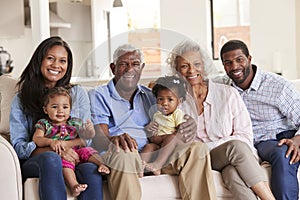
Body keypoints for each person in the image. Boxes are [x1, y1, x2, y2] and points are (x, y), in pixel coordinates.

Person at [89, 44, 217, 200]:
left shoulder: (151, 95)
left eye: (135, 64)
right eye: (123, 64)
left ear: (142, 68)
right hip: (124, 155)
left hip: (155, 155)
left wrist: (187, 125)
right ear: (113, 67)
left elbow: (170, 119)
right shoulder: (99, 95)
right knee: (124, 152)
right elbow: (98, 137)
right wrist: (113, 139)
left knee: (196, 148)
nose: (130, 69)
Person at [166, 39, 275, 200]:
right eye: (184, 66)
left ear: (204, 65)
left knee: (232, 173)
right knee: (235, 147)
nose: (191, 70)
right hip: (201, 159)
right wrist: (222, 146)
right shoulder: (174, 102)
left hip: (232, 157)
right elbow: (175, 142)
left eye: (196, 64)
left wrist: (215, 147)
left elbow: (245, 136)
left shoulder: (228, 94)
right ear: (177, 70)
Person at [10, 36, 104, 200]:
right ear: (39, 60)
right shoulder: (21, 99)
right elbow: (19, 147)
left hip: (73, 155)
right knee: (51, 158)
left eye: (62, 61)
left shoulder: (77, 94)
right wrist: (55, 150)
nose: (56, 65)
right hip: (39, 160)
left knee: (90, 168)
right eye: (50, 58)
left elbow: (85, 140)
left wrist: (65, 146)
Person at [220, 39, 300, 200]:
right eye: (228, 63)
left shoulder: (278, 86)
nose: (234, 66)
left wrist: (297, 140)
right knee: (231, 171)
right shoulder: (222, 87)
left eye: (239, 60)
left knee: (283, 154)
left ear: (249, 59)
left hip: (275, 139)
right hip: (245, 145)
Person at [32, 86, 110, 197]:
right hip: (61, 155)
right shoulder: (44, 124)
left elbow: (85, 139)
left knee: (89, 150)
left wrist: (89, 130)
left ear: (70, 109)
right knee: (64, 163)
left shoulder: (74, 122)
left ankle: (101, 165)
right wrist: (50, 142)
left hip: (77, 152)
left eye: (65, 107)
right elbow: (37, 139)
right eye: (54, 107)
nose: (60, 111)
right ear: (45, 109)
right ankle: (74, 185)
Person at [140, 75, 186, 176]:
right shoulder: (156, 115)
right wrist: (149, 129)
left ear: (180, 101)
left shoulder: (177, 114)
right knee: (149, 146)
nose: (164, 103)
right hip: (159, 145)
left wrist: (167, 137)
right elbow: (153, 136)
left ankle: (157, 165)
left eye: (170, 100)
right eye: (160, 99)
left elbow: (181, 132)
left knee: (171, 138)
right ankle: (140, 167)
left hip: (173, 146)